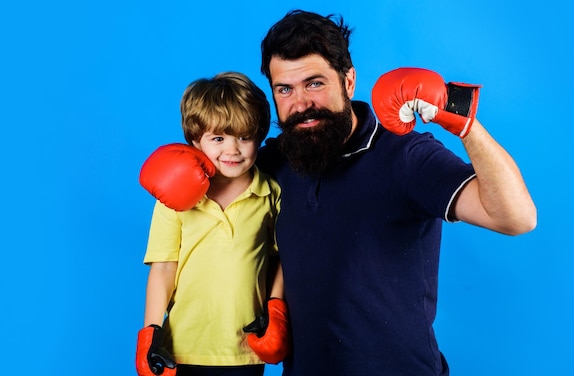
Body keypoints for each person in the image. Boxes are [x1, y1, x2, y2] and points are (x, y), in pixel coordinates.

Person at [254, 9, 537, 376]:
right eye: (285, 89)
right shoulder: (279, 159)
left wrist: (462, 120)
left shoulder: (404, 156)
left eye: (315, 83)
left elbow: (517, 217)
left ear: (349, 81)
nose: (301, 103)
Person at [136, 72, 289, 376]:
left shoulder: (270, 193)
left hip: (246, 348)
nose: (232, 150)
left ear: (259, 137)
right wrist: (150, 332)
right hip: (183, 345)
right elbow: (164, 267)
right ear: (195, 139)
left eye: (244, 137)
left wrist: (276, 308)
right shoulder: (174, 196)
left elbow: (280, 258)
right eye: (218, 138)